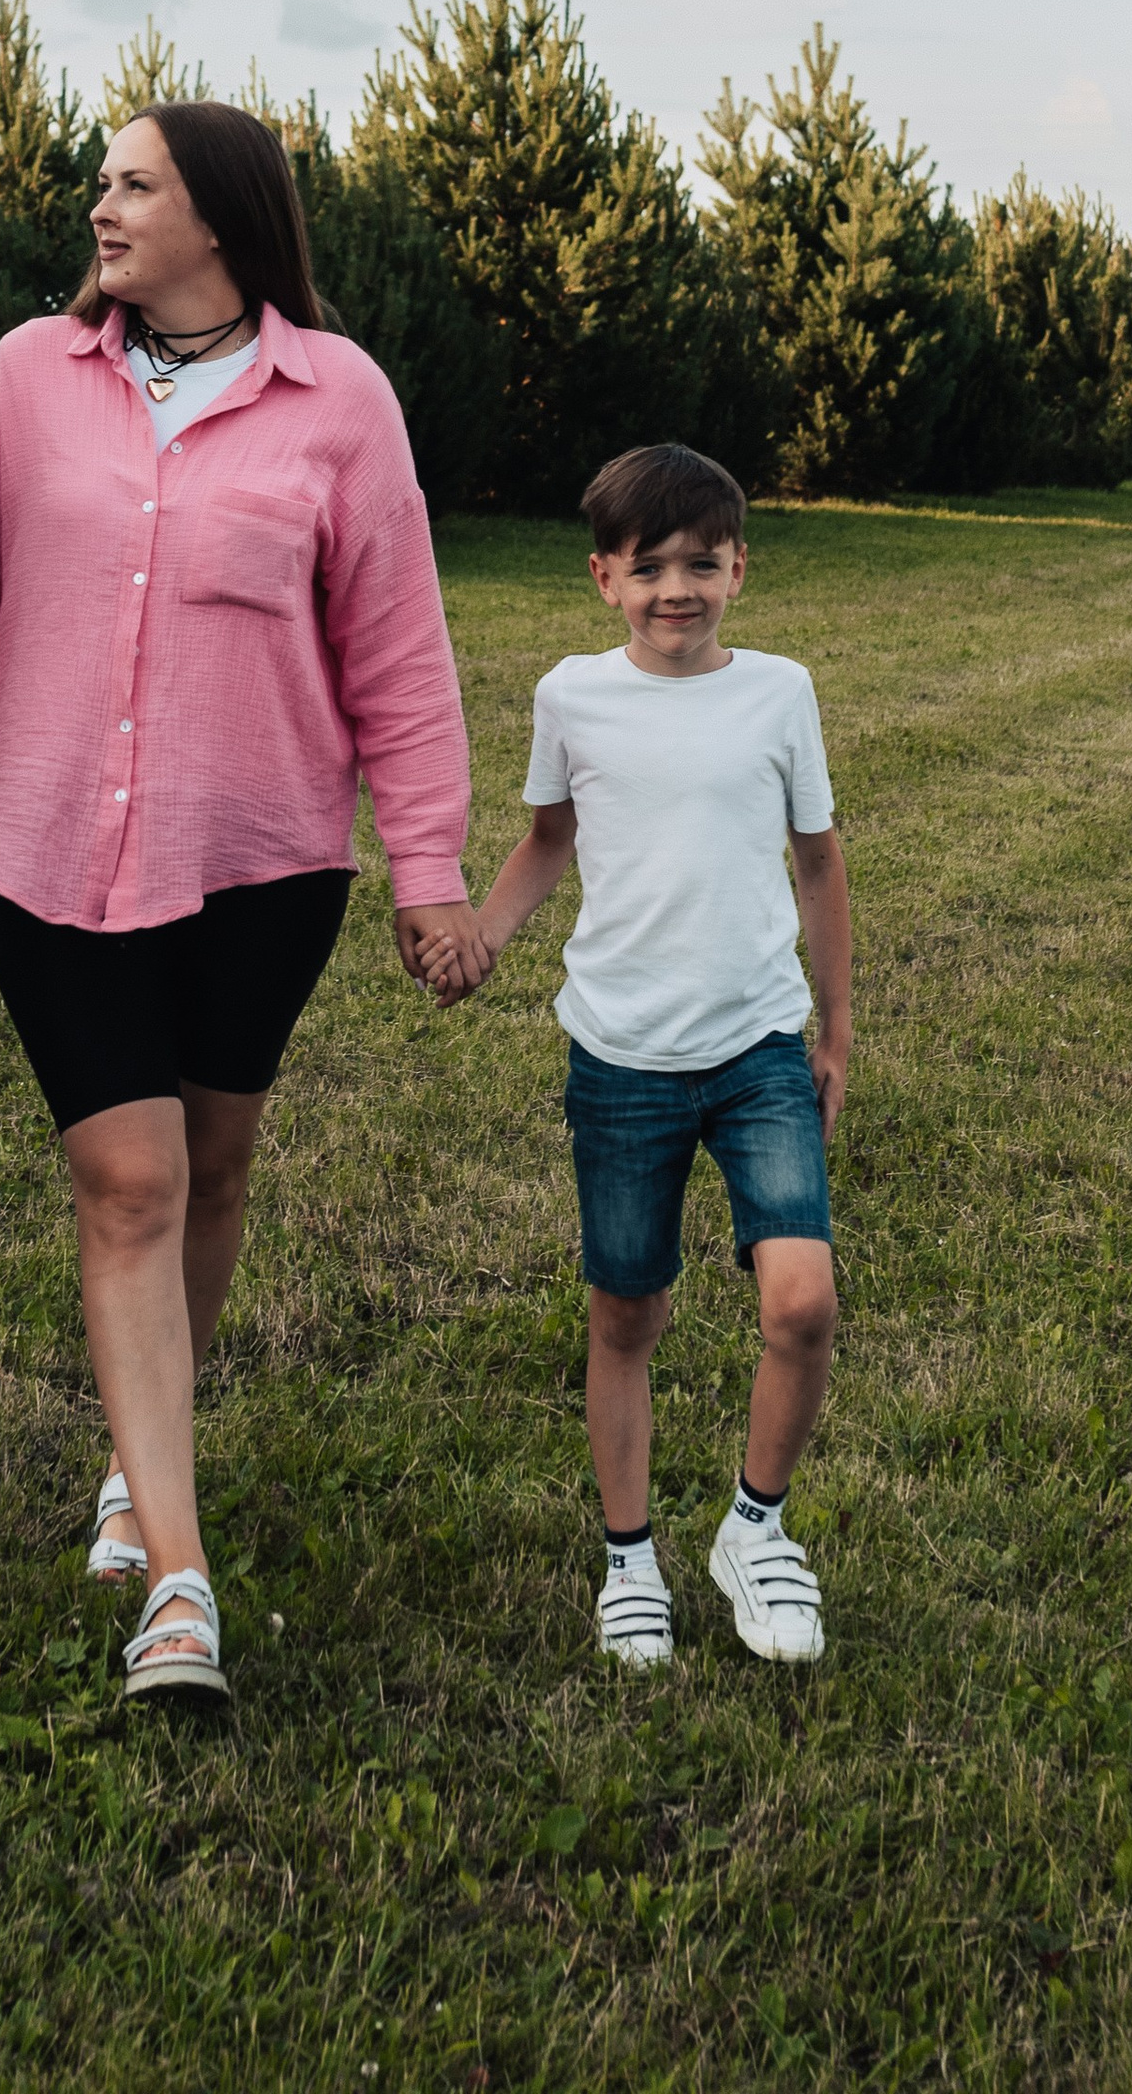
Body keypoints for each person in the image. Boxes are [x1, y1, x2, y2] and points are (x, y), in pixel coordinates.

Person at [0, 99, 479, 1707]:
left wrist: (426, 870)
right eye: (102, 180)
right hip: (47, 851)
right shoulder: (29, 376)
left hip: (263, 859)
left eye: (133, 185)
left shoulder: (338, 398)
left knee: (213, 1170)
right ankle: (177, 1576)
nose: (101, 208)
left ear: (219, 218)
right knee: (132, 1181)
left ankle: (131, 1461)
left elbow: (399, 653)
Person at [429, 440, 849, 1672]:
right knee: (629, 1312)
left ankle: (754, 1530)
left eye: (703, 564)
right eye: (650, 565)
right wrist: (487, 939)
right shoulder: (571, 696)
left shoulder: (780, 692)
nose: (679, 588)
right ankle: (629, 1558)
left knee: (804, 1303)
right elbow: (548, 839)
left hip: (759, 1046)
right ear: (602, 576)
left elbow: (817, 860)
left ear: (739, 571)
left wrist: (832, 1031)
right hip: (619, 1059)